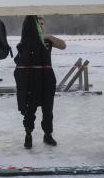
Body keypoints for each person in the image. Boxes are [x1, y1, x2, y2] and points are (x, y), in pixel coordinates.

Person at [14, 15, 66, 149]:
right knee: (30, 109)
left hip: (47, 78)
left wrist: (48, 36)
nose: (43, 25)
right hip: (32, 80)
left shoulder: (47, 40)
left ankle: (48, 134)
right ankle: (28, 135)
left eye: (43, 22)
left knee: (48, 110)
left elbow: (63, 45)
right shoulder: (25, 43)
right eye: (40, 23)